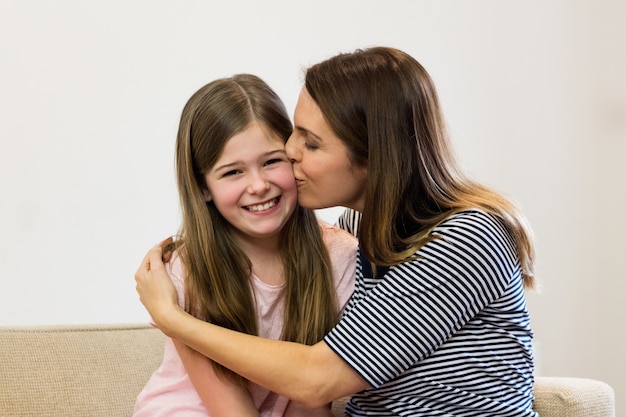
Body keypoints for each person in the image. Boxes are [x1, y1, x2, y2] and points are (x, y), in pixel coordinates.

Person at [136, 47, 539, 416]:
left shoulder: (466, 237)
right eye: (295, 132)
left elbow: (317, 379)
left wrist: (173, 319)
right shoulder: (360, 234)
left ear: (372, 157)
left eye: (311, 144)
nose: (290, 152)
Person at [132, 74, 357, 417]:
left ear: (295, 158)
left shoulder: (339, 257)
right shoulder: (188, 269)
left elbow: (310, 402)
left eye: (271, 161)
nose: (258, 185)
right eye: (233, 172)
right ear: (203, 188)